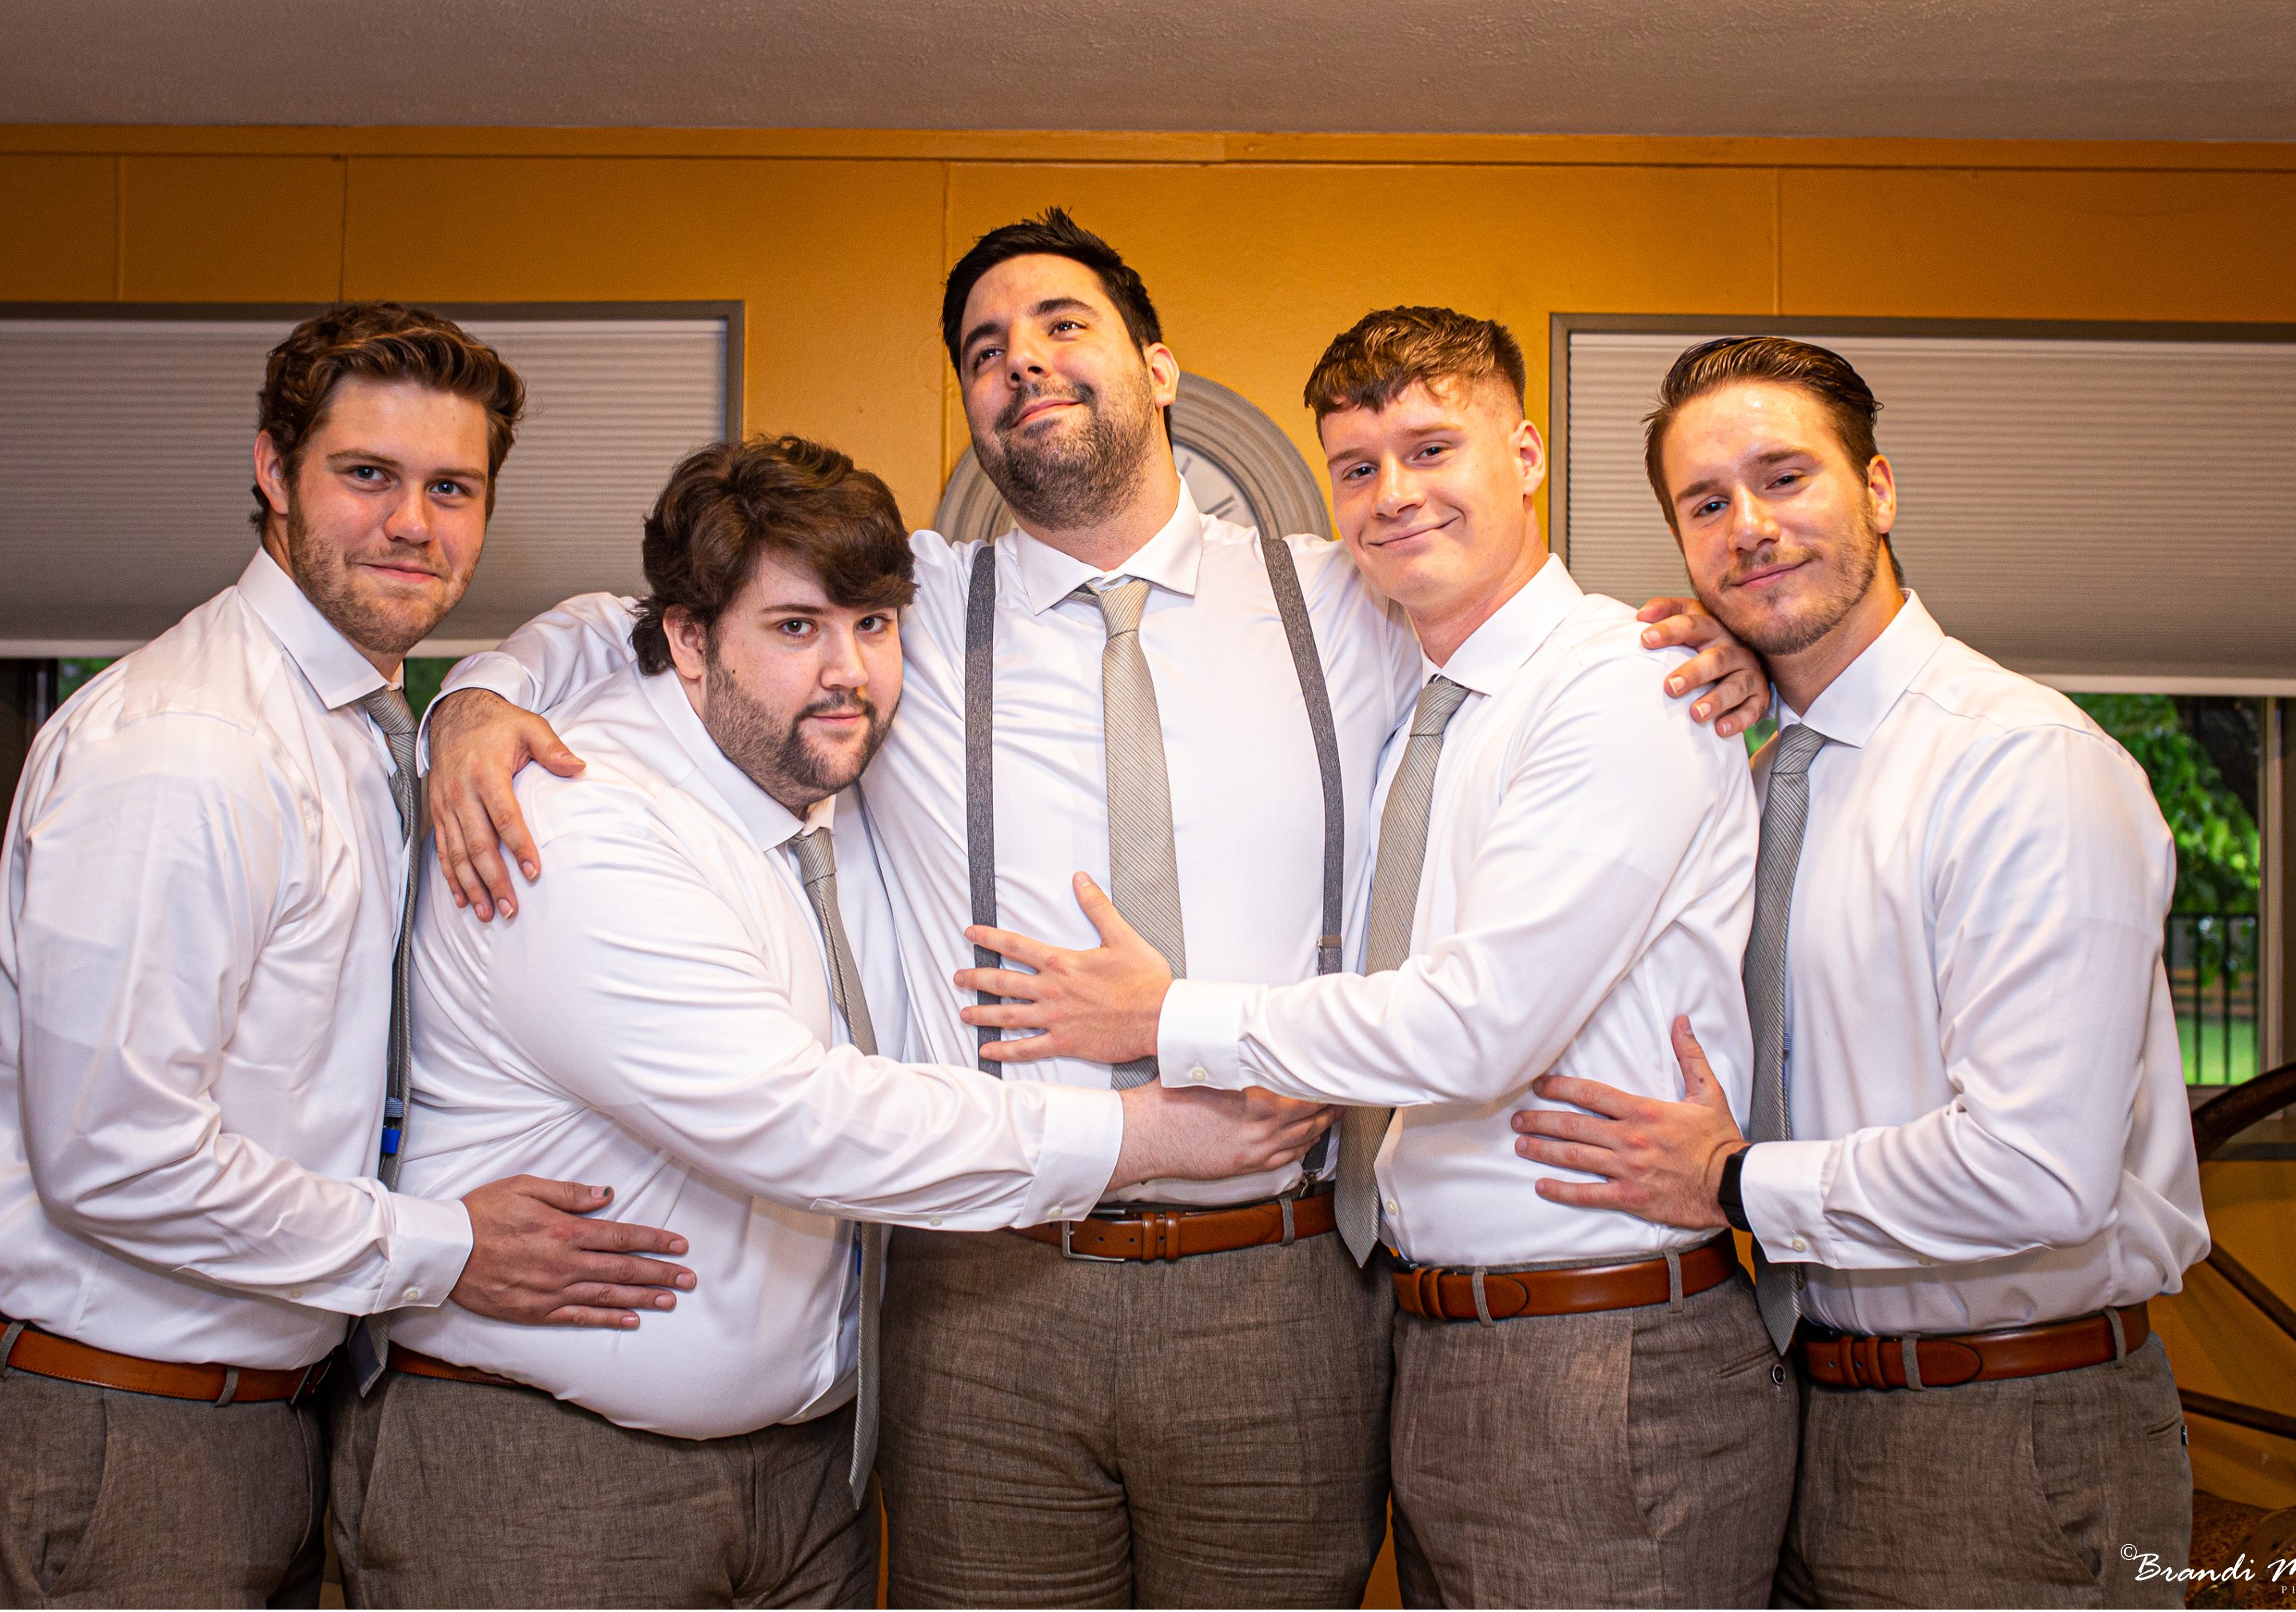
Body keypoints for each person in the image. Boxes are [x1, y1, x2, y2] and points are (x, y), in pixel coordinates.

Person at [421, 215, 1769, 1607]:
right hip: (987, 1291)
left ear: (1159, 366)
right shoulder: (904, 610)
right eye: (984, 350)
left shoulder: (1342, 594)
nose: (1023, 361)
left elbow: (1508, 622)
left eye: (1063, 324)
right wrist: (476, 697)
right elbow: (648, 618)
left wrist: (1727, 644)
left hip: (1277, 1280)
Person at [329, 436, 1326, 1606]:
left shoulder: (816, 787)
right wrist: (1151, 1135)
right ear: (689, 641)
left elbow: (596, 621)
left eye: (874, 625)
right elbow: (798, 1116)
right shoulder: (577, 821)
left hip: (806, 1489)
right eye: (796, 627)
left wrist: (481, 685)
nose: (848, 670)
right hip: (555, 1474)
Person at [942, 306, 1797, 1608]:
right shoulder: (1413, 697)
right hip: (1438, 1340)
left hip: (1604, 1345)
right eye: (1356, 467)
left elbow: (1477, 1027)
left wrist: (1167, 1017)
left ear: (1524, 454)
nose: (1392, 495)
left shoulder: (1626, 686)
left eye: (1430, 449)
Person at [0, 304, 695, 1608]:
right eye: (366, 474)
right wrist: (445, 1246)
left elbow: (625, 620)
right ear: (273, 470)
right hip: (99, 1434)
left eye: (452, 488)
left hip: (251, 1421)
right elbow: (114, 1152)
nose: (412, 523)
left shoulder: (363, 728)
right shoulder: (190, 745)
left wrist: (481, 693)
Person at [1509, 336, 2210, 1608]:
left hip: (2008, 1430)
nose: (1748, 527)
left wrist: (1731, 1178)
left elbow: (2038, 1170)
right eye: (1705, 503)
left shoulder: (2020, 767)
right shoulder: (1752, 772)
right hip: (1799, 1412)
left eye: (1785, 478)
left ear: (1878, 488)